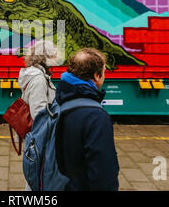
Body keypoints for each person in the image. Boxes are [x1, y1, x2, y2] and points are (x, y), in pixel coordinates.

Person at [55, 47, 119, 191]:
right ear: (96, 75)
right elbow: (103, 175)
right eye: (103, 73)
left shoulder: (58, 100)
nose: (104, 77)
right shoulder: (96, 117)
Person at [18, 40, 60, 191]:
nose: (57, 58)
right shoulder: (38, 79)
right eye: (54, 55)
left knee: (36, 173)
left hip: (38, 135)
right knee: (37, 173)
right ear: (46, 57)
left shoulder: (38, 75)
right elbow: (39, 113)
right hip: (40, 136)